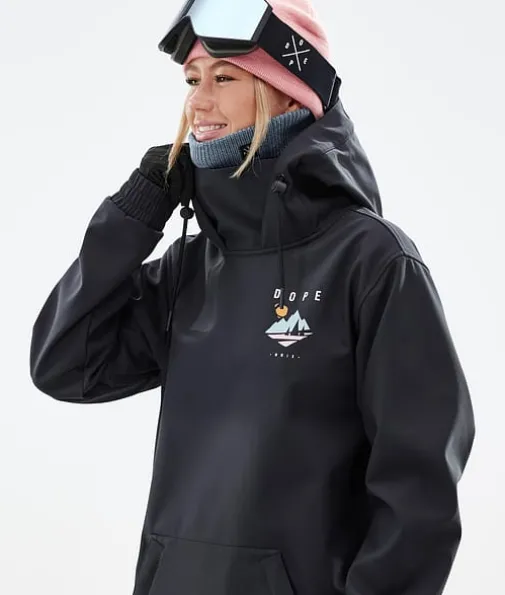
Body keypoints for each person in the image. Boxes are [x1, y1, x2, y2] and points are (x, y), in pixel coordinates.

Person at [29, 1, 476, 594]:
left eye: (224, 77)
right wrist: (136, 211)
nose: (198, 102)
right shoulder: (192, 266)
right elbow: (66, 365)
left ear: (288, 94)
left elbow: (419, 493)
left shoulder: (372, 262)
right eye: (192, 80)